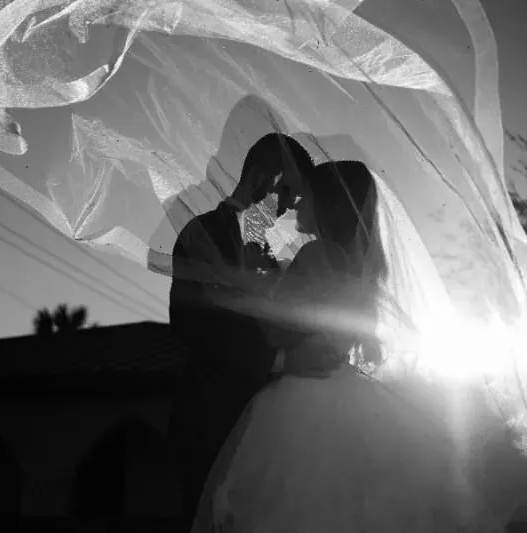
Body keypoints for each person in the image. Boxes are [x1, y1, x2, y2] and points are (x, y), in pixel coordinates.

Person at [190, 160, 527, 532]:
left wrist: (251, 273)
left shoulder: (316, 254)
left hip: (304, 393)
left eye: (307, 198)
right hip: (347, 386)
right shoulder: (361, 262)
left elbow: (277, 330)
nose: (298, 205)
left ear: (327, 204)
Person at [167, 133, 315, 527]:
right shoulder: (202, 233)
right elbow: (189, 323)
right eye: (285, 192)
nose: (288, 206)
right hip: (212, 417)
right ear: (262, 178)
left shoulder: (278, 250)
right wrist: (278, 358)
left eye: (295, 198)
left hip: (269, 430)